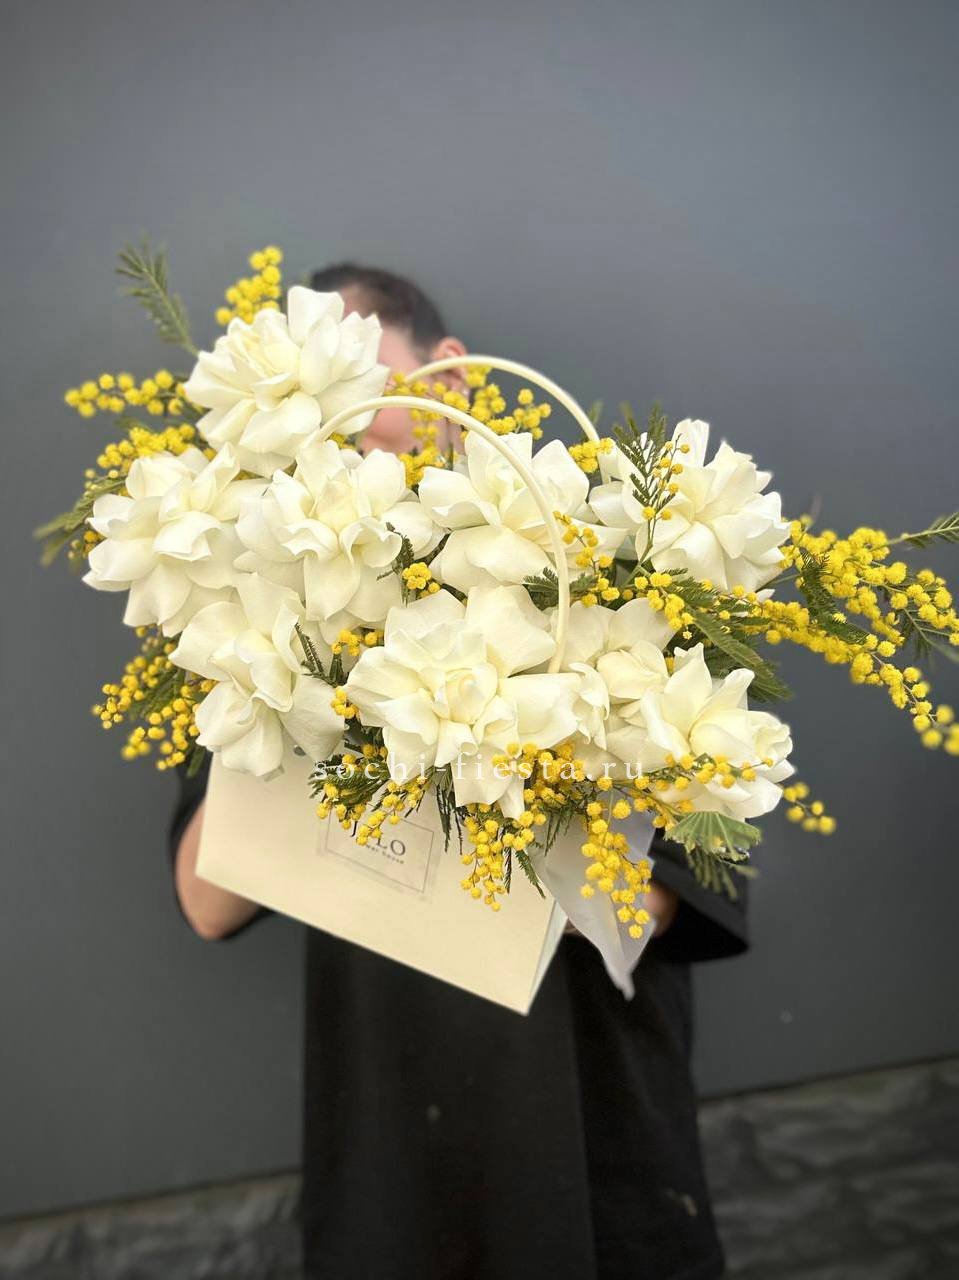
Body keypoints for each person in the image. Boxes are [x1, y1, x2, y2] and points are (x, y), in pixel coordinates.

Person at [170, 264, 749, 1280]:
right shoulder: (258, 615)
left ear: (447, 375)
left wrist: (530, 765)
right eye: (300, 408)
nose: (336, 428)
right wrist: (289, 663)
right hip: (390, 1159)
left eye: (358, 386)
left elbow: (685, 887)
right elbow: (206, 902)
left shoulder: (608, 566)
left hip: (590, 1139)